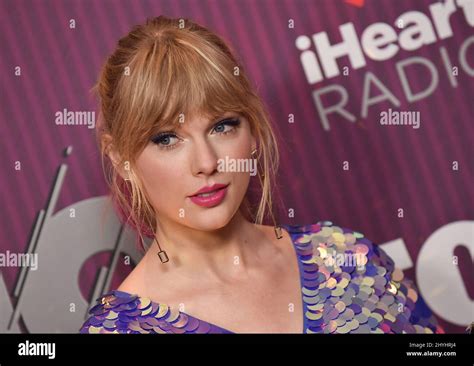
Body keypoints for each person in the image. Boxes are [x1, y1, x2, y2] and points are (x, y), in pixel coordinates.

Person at [79, 16, 443, 334]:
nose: (206, 163)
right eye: (167, 139)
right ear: (121, 156)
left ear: (252, 130)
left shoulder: (345, 258)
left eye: (223, 126)